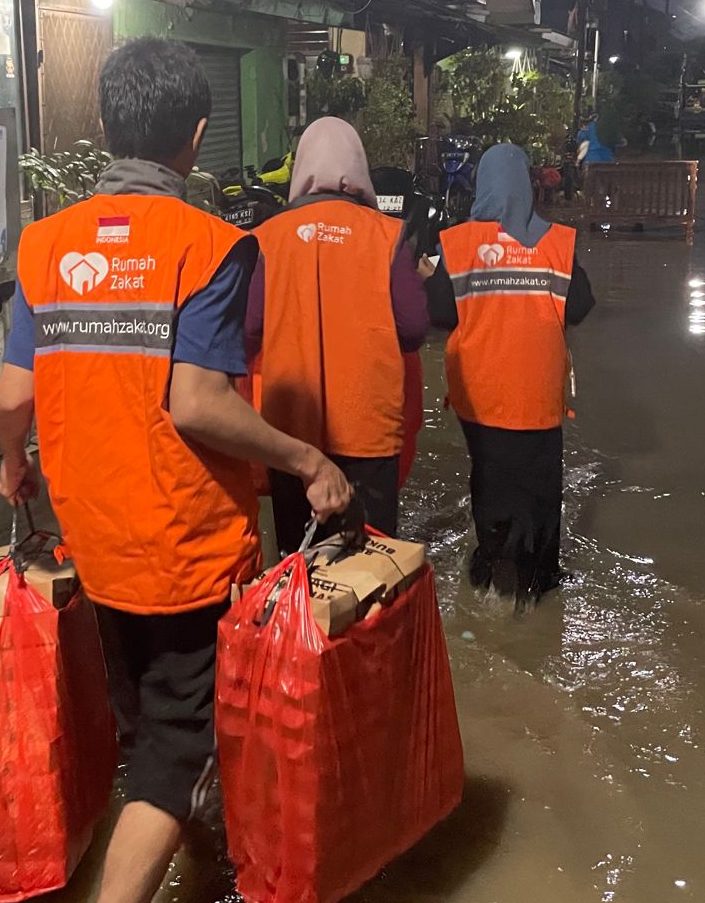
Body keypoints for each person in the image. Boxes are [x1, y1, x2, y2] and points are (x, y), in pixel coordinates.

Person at [0, 38, 352, 903]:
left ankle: (208, 863)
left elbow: (10, 396)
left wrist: (12, 467)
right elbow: (196, 404)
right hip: (184, 553)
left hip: (95, 545)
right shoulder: (211, 246)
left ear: (107, 125)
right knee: (176, 755)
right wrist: (309, 459)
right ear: (195, 137)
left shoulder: (46, 246)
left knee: (152, 732)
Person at [246, 115, 429, 553]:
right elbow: (414, 327)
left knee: (300, 569)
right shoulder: (389, 236)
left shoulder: (266, 238)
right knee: (370, 572)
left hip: (289, 439)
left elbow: (249, 328)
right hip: (369, 434)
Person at [425, 143, 595, 610]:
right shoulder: (559, 242)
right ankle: (539, 579)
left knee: (490, 478)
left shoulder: (455, 244)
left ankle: (491, 568)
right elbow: (579, 306)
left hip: (480, 397)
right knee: (541, 487)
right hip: (537, 394)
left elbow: (437, 312)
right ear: (527, 186)